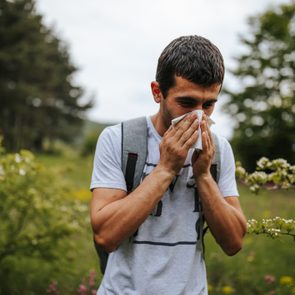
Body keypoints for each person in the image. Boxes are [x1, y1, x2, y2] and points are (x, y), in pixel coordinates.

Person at [90, 35, 247, 295]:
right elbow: (106, 236)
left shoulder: (219, 150)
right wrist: (165, 169)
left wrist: (204, 176)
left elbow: (234, 242)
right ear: (157, 92)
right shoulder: (118, 140)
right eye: (186, 102)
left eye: (208, 105)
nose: (199, 115)